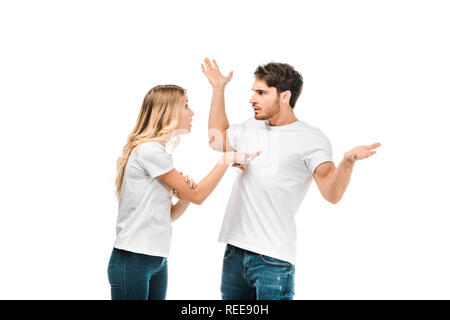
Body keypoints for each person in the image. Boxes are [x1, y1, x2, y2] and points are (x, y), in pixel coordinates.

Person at [201, 58, 381, 300]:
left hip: (272, 260)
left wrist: (347, 162)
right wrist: (218, 88)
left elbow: (332, 193)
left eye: (261, 93)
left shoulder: (310, 138)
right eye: (253, 91)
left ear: (284, 97)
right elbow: (216, 140)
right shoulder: (250, 128)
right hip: (234, 253)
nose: (252, 99)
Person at [107, 84, 260, 300]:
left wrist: (184, 197)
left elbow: (169, 215)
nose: (192, 112)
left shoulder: (159, 152)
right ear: (167, 111)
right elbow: (199, 197)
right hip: (133, 259)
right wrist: (226, 158)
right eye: (186, 106)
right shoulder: (150, 150)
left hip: (157, 259)